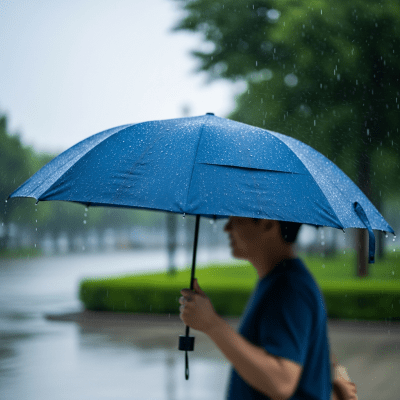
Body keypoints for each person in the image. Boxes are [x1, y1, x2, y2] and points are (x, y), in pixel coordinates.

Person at [179, 217, 358, 400]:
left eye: (237, 219)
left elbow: (282, 382)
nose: (227, 228)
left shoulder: (289, 287)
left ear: (267, 223)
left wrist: (212, 324)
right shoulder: (280, 280)